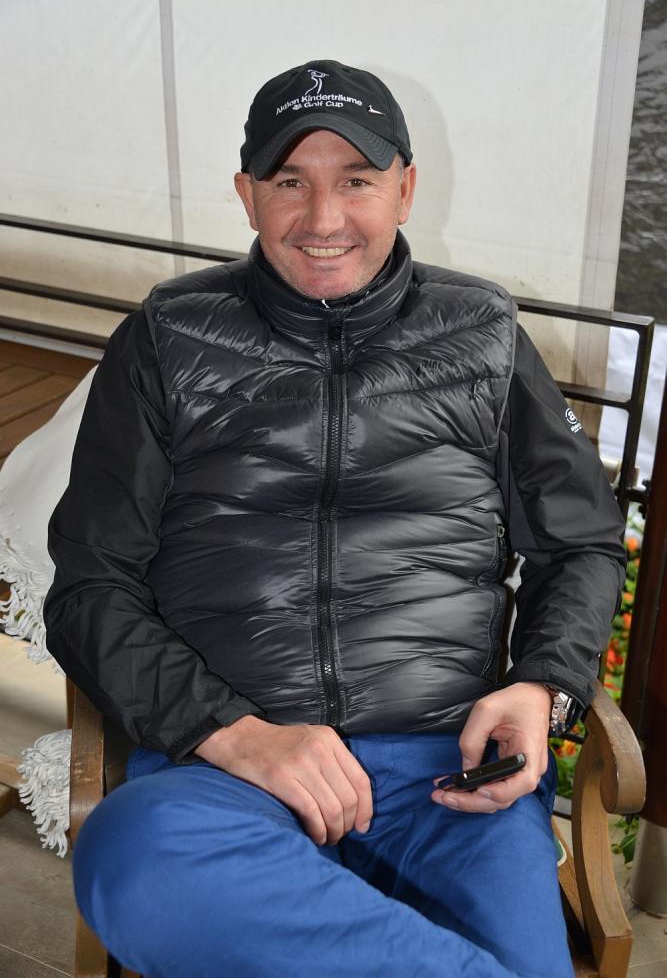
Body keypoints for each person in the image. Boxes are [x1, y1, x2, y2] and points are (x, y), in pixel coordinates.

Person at [45, 60, 626, 978]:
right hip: (225, 772)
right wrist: (235, 734)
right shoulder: (165, 338)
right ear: (247, 194)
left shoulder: (483, 334)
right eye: (290, 183)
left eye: (355, 181)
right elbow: (89, 586)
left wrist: (541, 685)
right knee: (138, 863)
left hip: (448, 780)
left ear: (404, 188)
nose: (323, 220)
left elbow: (581, 543)